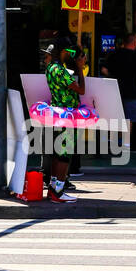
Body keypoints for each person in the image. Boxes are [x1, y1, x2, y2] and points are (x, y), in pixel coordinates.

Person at [41, 37, 87, 203]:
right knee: (64, 155)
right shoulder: (60, 70)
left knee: (57, 153)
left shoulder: (50, 68)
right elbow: (81, 90)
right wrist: (80, 69)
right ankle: (58, 190)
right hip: (67, 115)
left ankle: (53, 188)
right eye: (68, 51)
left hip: (56, 114)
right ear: (62, 52)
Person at [100, 33, 136, 147]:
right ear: (135, 43)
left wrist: (113, 76)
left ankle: (112, 141)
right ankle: (126, 143)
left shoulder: (114, 54)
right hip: (132, 92)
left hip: (115, 91)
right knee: (129, 118)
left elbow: (104, 70)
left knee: (114, 116)